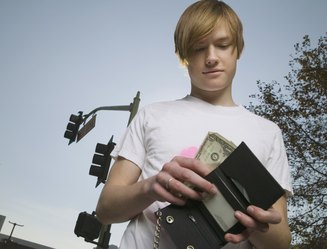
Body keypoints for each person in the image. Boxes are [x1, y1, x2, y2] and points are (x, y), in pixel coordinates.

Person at [96, 0, 293, 248]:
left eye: (222, 45)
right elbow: (105, 210)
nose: (211, 58)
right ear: (184, 56)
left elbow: (281, 242)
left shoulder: (268, 133)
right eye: (199, 48)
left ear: (238, 49)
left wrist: (257, 227)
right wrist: (150, 188)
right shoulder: (151, 116)